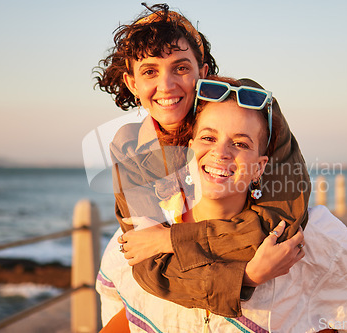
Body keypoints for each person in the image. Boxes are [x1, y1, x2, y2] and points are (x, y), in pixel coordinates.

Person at [97, 76, 347, 332]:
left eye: (241, 143)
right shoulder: (138, 241)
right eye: (208, 137)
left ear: (261, 167)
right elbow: (119, 306)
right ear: (187, 150)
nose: (221, 153)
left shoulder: (313, 243)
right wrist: (245, 277)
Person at [94, 3, 311, 318]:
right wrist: (247, 277)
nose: (167, 86)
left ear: (202, 73)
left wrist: (170, 238)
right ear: (133, 84)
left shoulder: (250, 107)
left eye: (180, 68)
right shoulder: (130, 151)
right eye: (150, 71)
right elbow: (152, 267)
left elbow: (279, 226)